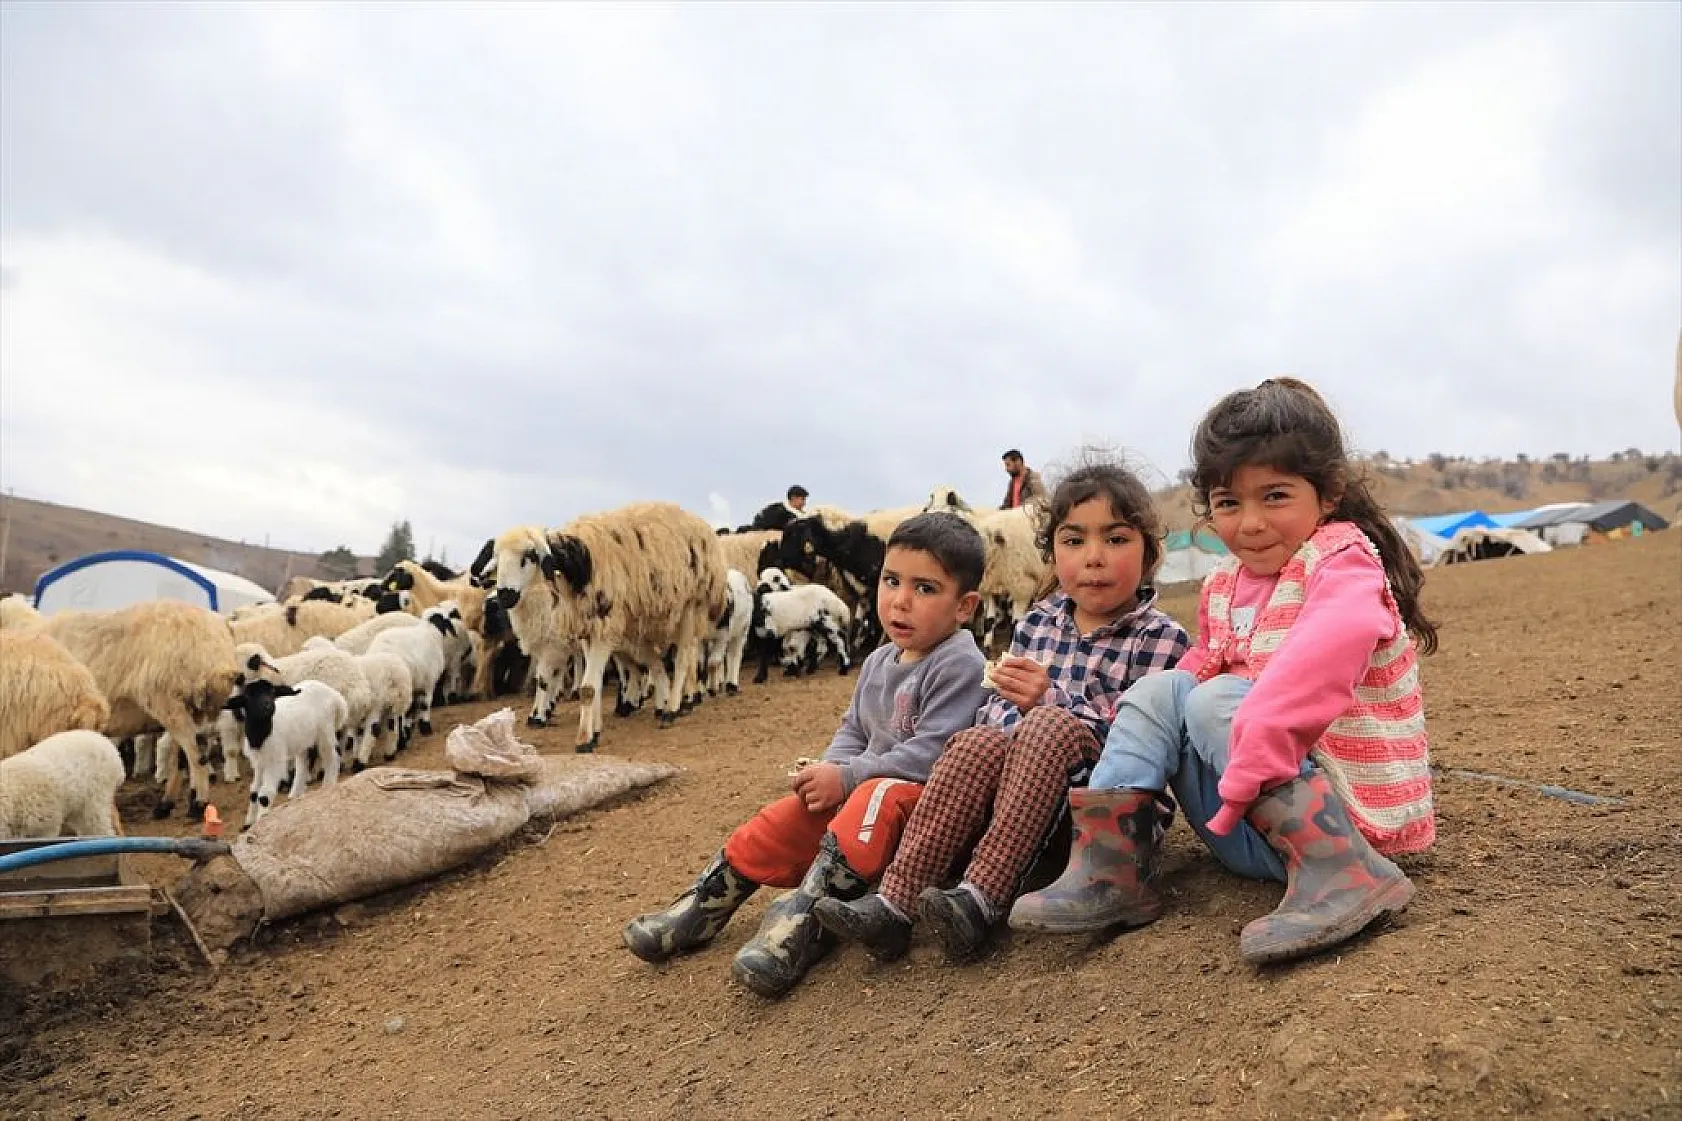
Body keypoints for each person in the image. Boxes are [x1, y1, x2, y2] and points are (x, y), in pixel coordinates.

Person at [1008, 377, 1439, 966]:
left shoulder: (1341, 562)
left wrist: (1256, 729)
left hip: (1345, 824)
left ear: (1329, 492)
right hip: (1248, 828)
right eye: (1230, 503)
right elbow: (1189, 681)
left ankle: (1344, 878)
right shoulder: (1223, 585)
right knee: (1165, 689)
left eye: (1276, 496)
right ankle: (1111, 869)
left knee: (1216, 700)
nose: (1251, 523)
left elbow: (1332, 645)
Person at [814, 452, 1189, 963]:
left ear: (1148, 553)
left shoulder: (1163, 639)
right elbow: (994, 707)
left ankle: (979, 900)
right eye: (1074, 540)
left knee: (1050, 726)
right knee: (978, 738)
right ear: (1052, 553)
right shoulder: (1038, 624)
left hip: (1103, 826)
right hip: (1020, 804)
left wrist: (1049, 702)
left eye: (1116, 539)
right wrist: (1018, 717)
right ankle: (893, 906)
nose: (1093, 557)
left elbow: (1142, 741)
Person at [621, 512, 989, 997]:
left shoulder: (960, 662)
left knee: (874, 794)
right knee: (792, 813)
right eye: (891, 581)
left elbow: (935, 752)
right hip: (863, 802)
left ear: (964, 606)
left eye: (925, 589)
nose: (900, 600)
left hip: (922, 813)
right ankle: (707, 901)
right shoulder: (880, 660)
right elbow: (854, 729)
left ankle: (804, 919)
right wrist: (831, 771)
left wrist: (851, 776)